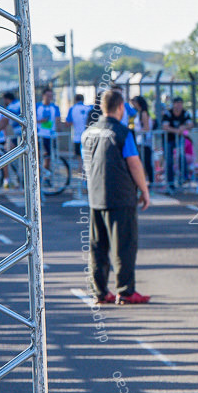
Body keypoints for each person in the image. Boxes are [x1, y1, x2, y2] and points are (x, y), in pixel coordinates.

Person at [83, 87, 152, 305]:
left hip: (96, 196)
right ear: (121, 107)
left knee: (98, 246)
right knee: (124, 245)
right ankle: (125, 290)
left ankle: (100, 292)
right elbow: (133, 162)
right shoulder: (122, 133)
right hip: (120, 196)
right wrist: (144, 190)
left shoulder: (89, 131)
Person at [159, 96, 192, 192]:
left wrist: (183, 127)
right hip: (168, 140)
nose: (179, 105)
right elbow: (165, 126)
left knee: (182, 156)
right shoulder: (168, 114)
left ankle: (184, 178)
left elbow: (190, 124)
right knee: (169, 161)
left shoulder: (185, 113)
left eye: (180, 103)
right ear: (173, 104)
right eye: (177, 103)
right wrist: (176, 130)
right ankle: (170, 183)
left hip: (179, 139)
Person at [0, 91, 21, 189]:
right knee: (8, 156)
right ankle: (14, 178)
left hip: (20, 136)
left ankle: (11, 179)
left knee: (7, 157)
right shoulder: (16, 104)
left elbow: (3, 122)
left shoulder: (12, 107)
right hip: (17, 135)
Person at [36, 87, 61, 175]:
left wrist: (59, 127)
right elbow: (31, 120)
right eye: (47, 95)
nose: (49, 97)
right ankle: (37, 174)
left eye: (51, 96)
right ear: (43, 96)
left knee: (48, 156)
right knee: (37, 155)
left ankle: (45, 174)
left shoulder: (55, 107)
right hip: (39, 134)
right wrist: (40, 121)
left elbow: (58, 119)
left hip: (50, 135)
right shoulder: (37, 106)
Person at [129, 96, 154, 184]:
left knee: (146, 161)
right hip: (140, 141)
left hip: (145, 142)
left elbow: (146, 128)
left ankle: (150, 180)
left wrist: (137, 131)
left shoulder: (143, 113)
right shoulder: (138, 113)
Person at [65, 94, 91, 174]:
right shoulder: (89, 108)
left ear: (75, 100)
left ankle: (81, 169)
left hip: (77, 136)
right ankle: (87, 170)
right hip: (88, 135)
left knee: (79, 155)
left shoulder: (72, 109)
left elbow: (68, 123)